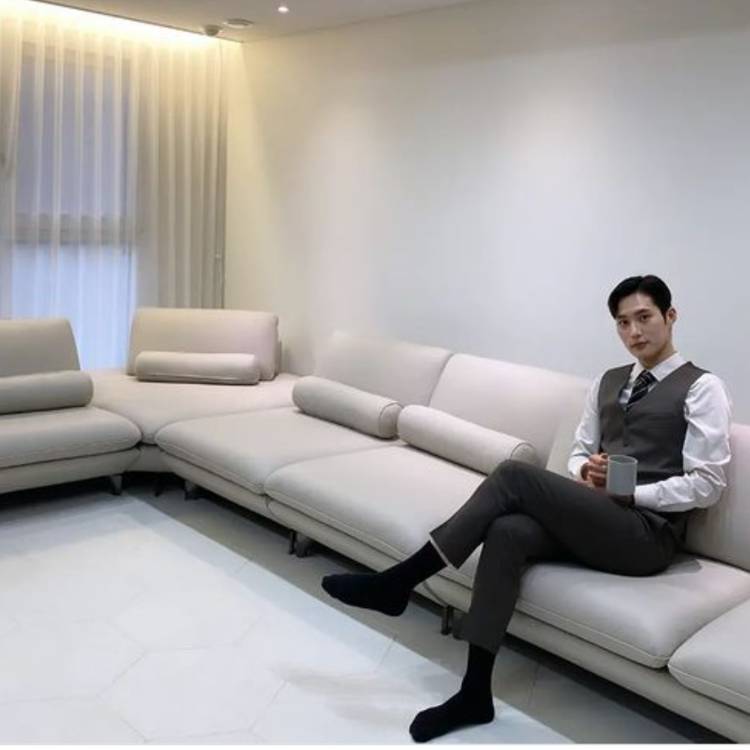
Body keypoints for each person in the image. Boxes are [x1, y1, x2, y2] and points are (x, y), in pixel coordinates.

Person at [321, 274, 733, 743]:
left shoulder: (702, 388)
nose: (634, 332)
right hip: (599, 518)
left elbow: (708, 485)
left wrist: (633, 495)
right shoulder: (607, 382)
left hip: (647, 535)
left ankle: (398, 582)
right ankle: (475, 692)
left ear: (670, 316)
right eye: (623, 323)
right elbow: (579, 451)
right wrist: (586, 470)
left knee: (514, 475)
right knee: (508, 531)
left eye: (644, 318)